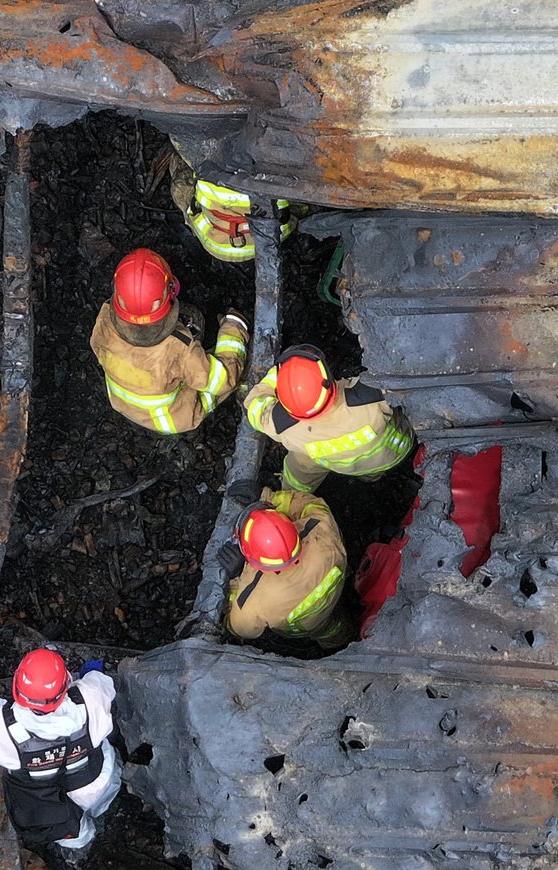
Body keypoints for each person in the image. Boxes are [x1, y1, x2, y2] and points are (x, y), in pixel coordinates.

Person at [0, 649, 120, 866]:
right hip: (94, 780)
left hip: (45, 800)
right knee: (100, 795)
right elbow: (101, 683)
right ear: (66, 683)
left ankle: (77, 848)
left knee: (70, 830)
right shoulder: (91, 698)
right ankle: (101, 812)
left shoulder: (1, 726)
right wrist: (92, 672)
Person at [89, 248, 249, 434]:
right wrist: (234, 327)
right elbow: (222, 381)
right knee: (227, 378)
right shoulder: (179, 349)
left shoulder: (105, 318)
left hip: (121, 402)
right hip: (171, 419)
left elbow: (97, 347)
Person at [243, 345, 414, 493]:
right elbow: (406, 380)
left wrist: (278, 375)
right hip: (392, 454)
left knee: (301, 466)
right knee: (372, 468)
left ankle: (291, 496)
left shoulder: (283, 425)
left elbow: (253, 407)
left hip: (335, 463)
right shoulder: (370, 397)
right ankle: (373, 478)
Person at [219, 488, 350, 648]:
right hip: (336, 591)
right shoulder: (320, 529)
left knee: (324, 629)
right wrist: (267, 498)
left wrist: (235, 578)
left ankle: (336, 642)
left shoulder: (253, 602)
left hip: (308, 625)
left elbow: (238, 628)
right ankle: (344, 635)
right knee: (335, 621)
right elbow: (308, 503)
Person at [168, 153, 294, 262]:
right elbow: (194, 215)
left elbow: (290, 219)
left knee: (180, 186)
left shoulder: (280, 233)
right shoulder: (209, 183)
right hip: (219, 246)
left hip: (229, 247)